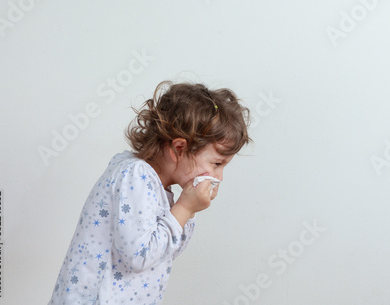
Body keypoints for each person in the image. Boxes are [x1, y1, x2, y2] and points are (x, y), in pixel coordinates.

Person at [48, 81, 252, 305]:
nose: (219, 177)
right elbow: (140, 256)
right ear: (179, 149)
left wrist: (189, 211)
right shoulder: (135, 175)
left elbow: (166, 252)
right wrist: (184, 208)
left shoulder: (159, 187)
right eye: (216, 163)